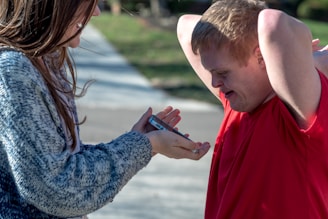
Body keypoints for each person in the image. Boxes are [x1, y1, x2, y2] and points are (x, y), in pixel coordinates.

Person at [0, 1, 211, 218]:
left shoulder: (45, 59)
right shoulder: (14, 72)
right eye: (88, 3)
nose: (97, 12)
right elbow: (56, 189)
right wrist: (147, 144)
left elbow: (60, 161)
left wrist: (138, 140)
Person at [177, 0, 328, 218]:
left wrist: (309, 62)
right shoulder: (236, 104)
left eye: (223, 73)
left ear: (261, 56)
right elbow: (185, 25)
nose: (214, 83)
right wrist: (304, 60)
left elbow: (272, 22)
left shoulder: (297, 110)